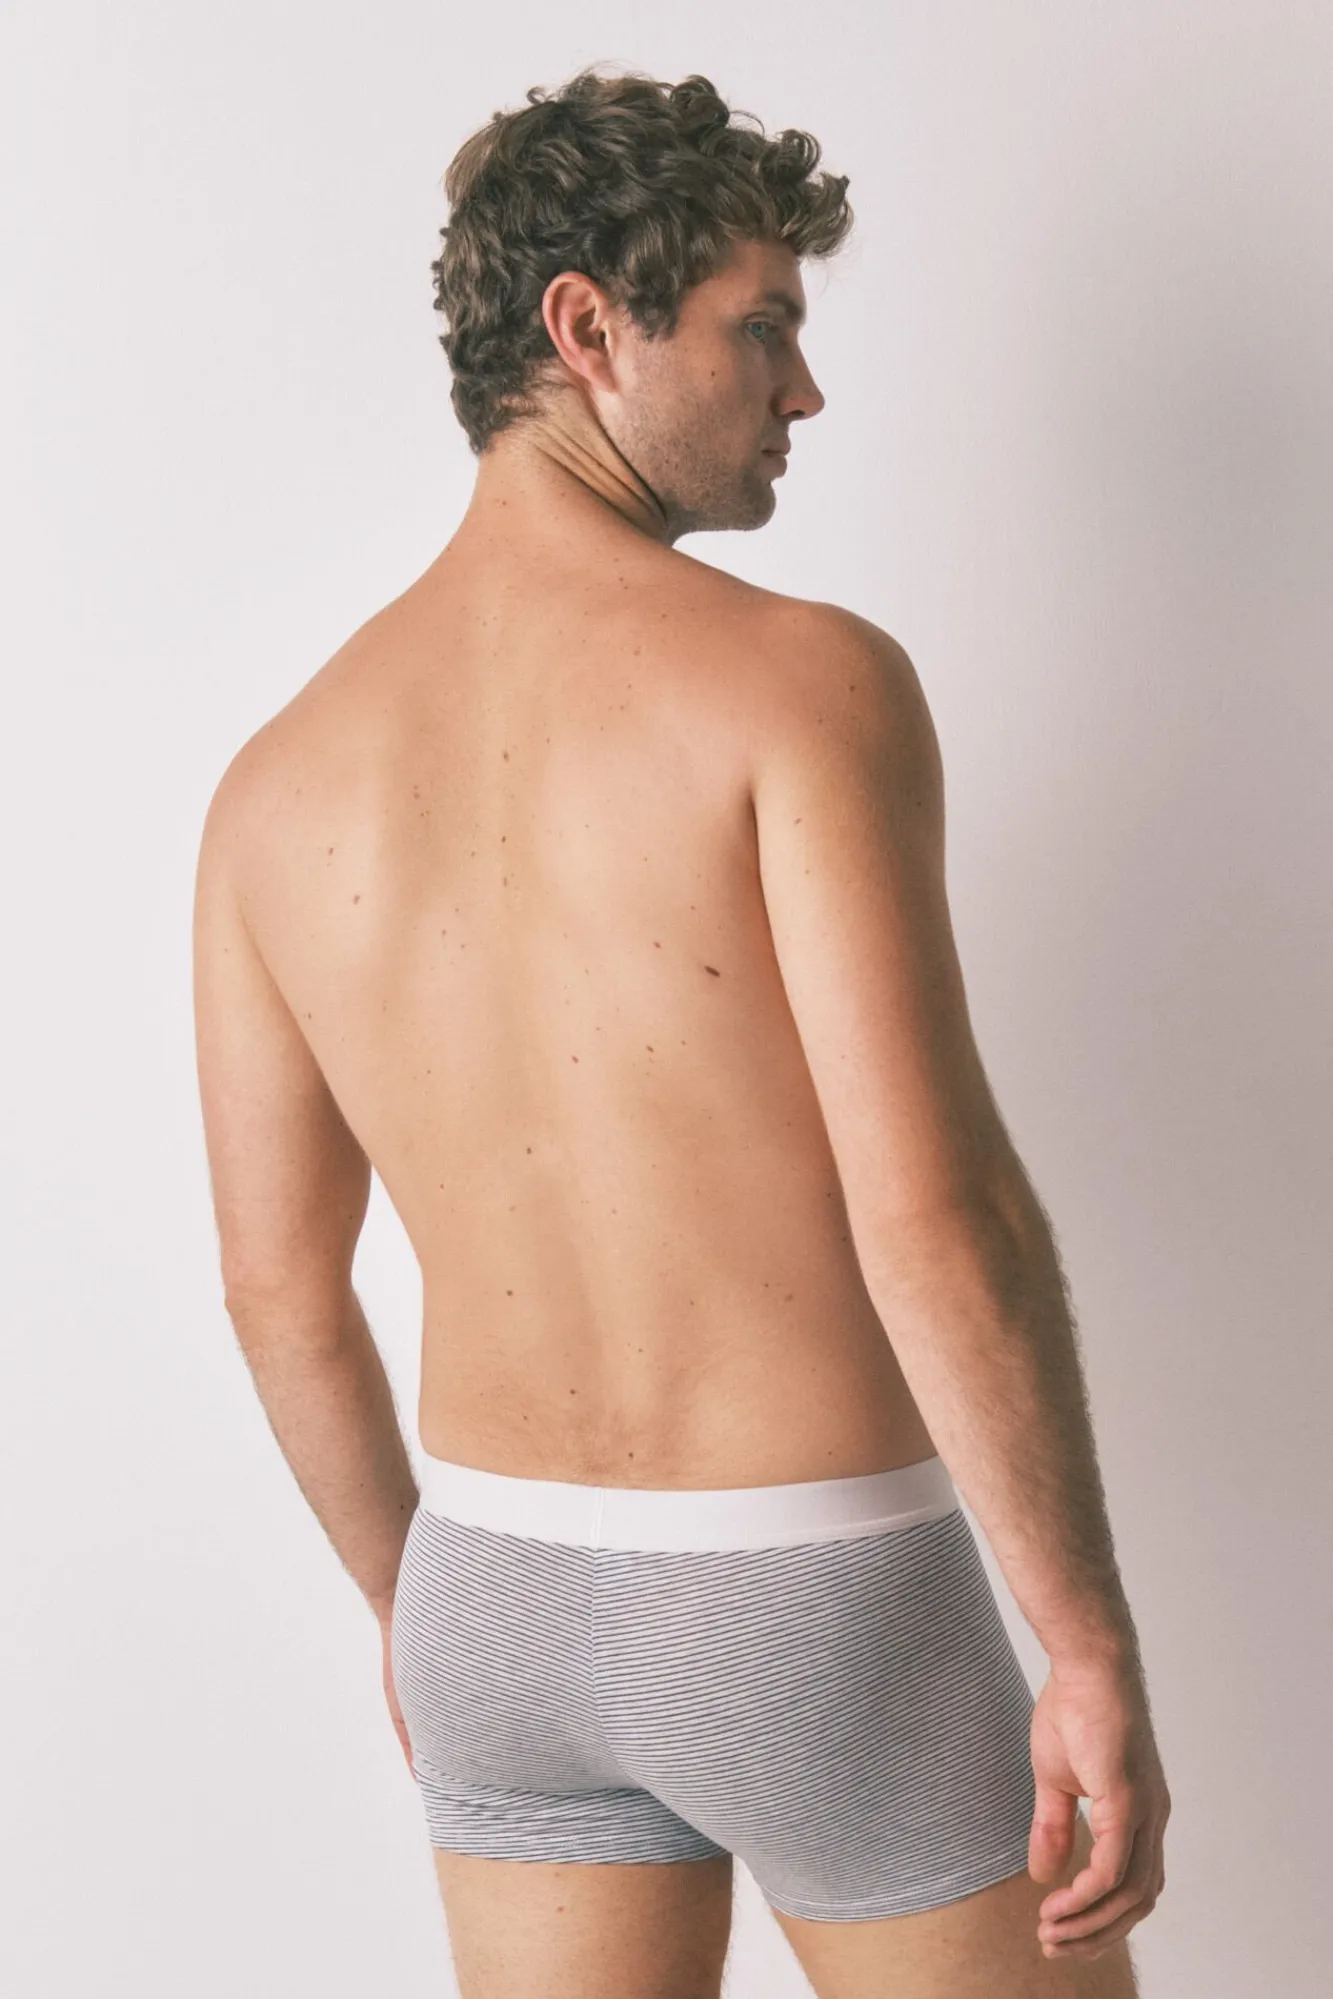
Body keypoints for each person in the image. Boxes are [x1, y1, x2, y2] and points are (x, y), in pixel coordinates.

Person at [192, 65, 1170, 1999]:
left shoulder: (272, 784)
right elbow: (937, 1214)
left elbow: (276, 1293)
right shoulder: (803, 687)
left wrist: (414, 1607)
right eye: (763, 325)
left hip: (491, 1601)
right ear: (587, 328)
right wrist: (1085, 1642)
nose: (804, 391)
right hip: (813, 1598)